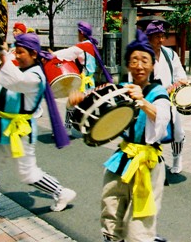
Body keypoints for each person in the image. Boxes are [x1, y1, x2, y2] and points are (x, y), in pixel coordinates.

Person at [69, 29, 171, 242]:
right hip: (122, 158)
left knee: (139, 223)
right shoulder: (121, 88)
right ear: (127, 65)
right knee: (111, 210)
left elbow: (162, 119)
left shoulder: (159, 92)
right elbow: (96, 102)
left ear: (152, 65)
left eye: (145, 60)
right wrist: (80, 100)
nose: (139, 65)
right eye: (134, 60)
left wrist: (143, 102)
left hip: (148, 163)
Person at [0, 33, 75, 231]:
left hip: (20, 131)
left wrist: (4, 56)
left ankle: (61, 192)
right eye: (15, 51)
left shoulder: (36, 76)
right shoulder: (17, 70)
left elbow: (14, 81)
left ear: (34, 53)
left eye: (20, 52)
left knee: (27, 174)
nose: (16, 55)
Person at [52, 21, 113, 135]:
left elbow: (67, 53)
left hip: (83, 82)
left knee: (71, 104)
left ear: (81, 32)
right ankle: (88, 127)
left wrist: (52, 54)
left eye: (78, 32)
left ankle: (68, 129)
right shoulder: (91, 44)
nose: (77, 35)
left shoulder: (82, 46)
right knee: (87, 105)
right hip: (90, 80)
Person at [145, 20, 188, 174]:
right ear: (148, 37)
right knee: (152, 133)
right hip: (149, 101)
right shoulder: (143, 55)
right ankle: (152, 162)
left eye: (162, 36)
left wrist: (177, 84)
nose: (161, 40)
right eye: (157, 36)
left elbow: (181, 76)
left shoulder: (170, 54)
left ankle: (177, 159)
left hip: (169, 100)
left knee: (177, 132)